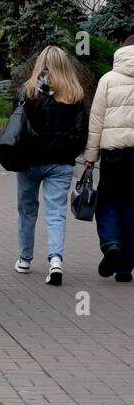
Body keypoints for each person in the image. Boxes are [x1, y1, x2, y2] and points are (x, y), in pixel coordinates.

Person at [13, 45, 88, 286]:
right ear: (65, 65)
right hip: (60, 163)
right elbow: (81, 134)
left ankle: (25, 259)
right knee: (56, 213)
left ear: (39, 64)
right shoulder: (74, 93)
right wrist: (68, 153)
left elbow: (15, 125)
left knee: (27, 210)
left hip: (29, 160)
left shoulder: (27, 91)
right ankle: (55, 260)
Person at [83, 34, 134, 282]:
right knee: (132, 209)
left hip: (114, 155)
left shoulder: (107, 80)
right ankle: (125, 269)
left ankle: (111, 243)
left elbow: (96, 121)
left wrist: (90, 156)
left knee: (108, 202)